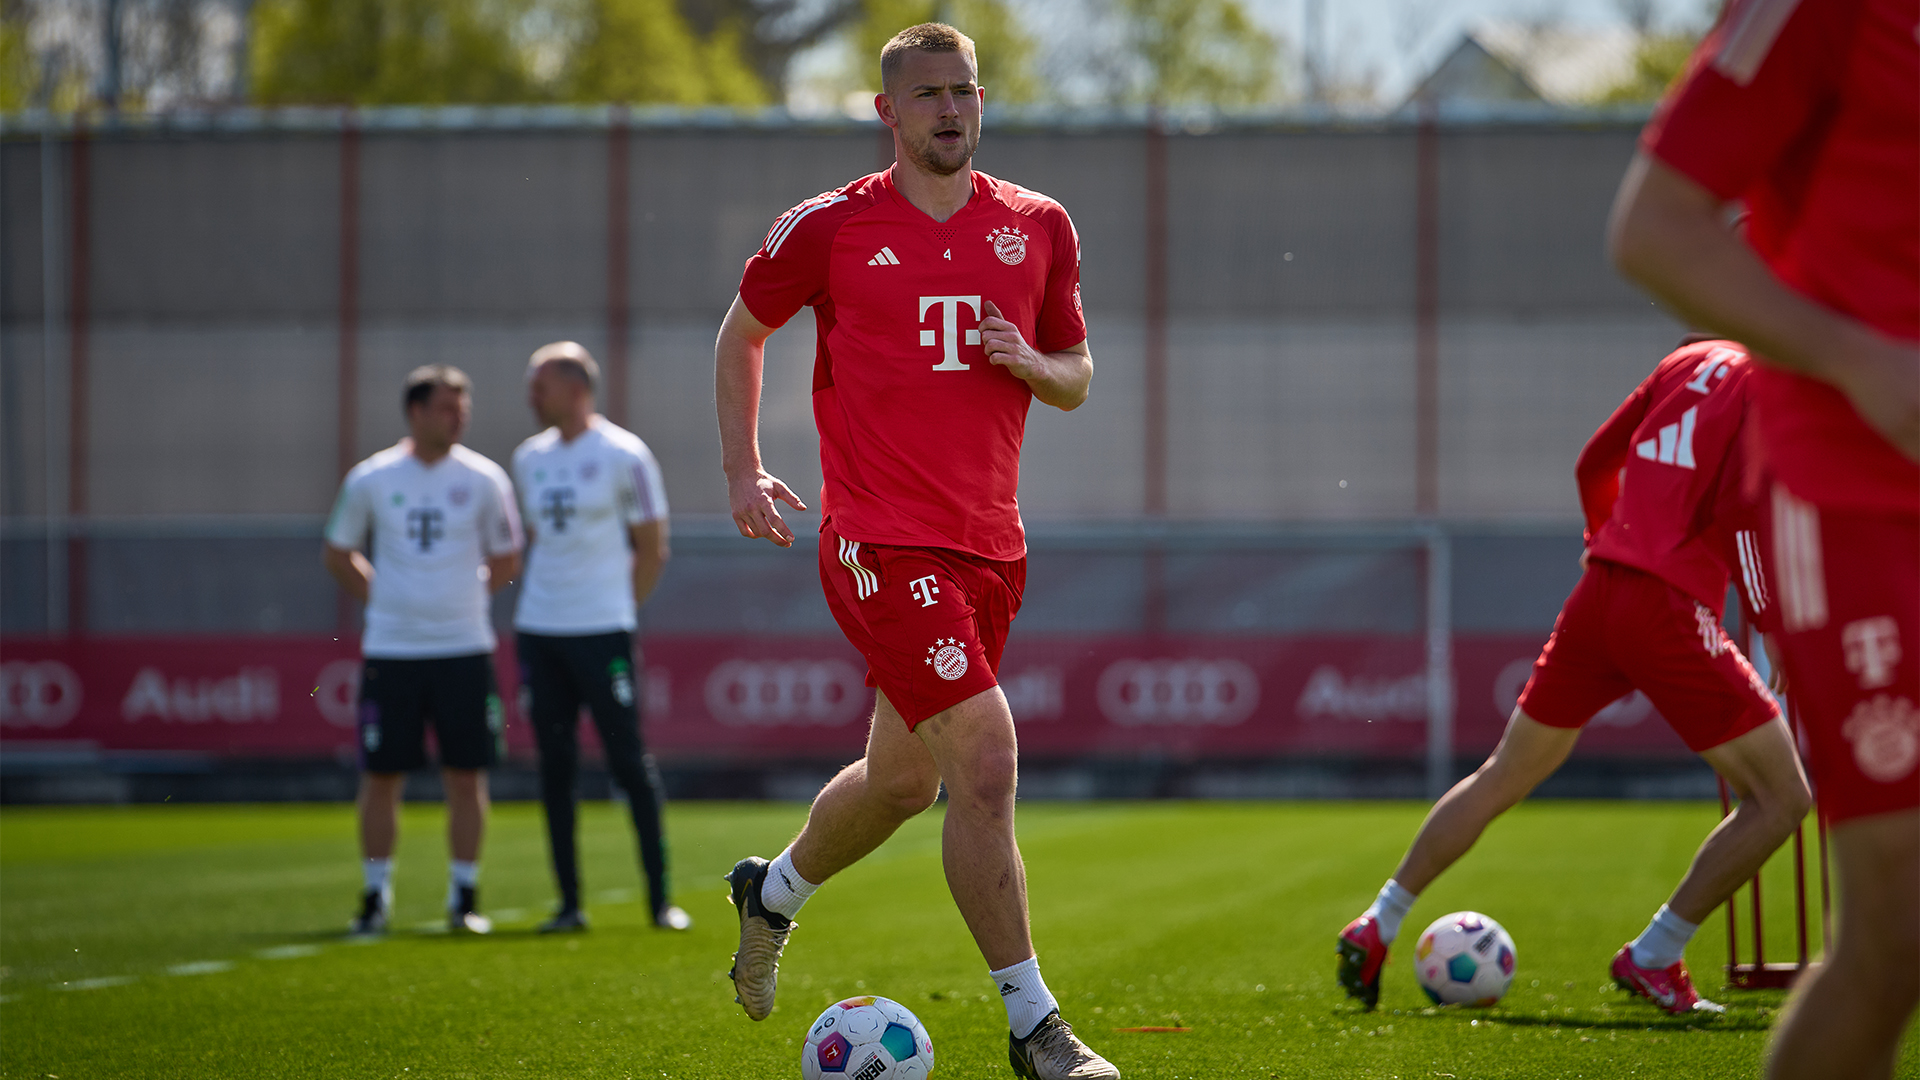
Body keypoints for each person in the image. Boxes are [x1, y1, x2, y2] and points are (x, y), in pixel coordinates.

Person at [713, 23, 1116, 1080]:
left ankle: (774, 892)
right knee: (985, 765)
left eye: (966, 91)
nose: (952, 109)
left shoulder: (1039, 224)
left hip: (991, 548)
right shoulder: (831, 227)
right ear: (888, 112)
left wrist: (1028, 360)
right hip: (881, 543)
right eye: (929, 93)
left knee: (900, 784)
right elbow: (741, 332)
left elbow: (1077, 375)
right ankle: (1037, 1030)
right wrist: (742, 470)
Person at [1607, 0, 1918, 1074]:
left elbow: (1593, 472)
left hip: (1646, 588)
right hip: (1863, 498)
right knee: (1896, 929)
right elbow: (1654, 229)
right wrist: (1862, 360)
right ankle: (1653, 947)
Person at [1336, 337, 1812, 1015]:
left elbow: (1594, 458)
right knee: (1782, 798)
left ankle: (1378, 920)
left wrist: (1607, 543)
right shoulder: (1772, 375)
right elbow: (1742, 509)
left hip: (1602, 588)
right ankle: (1654, 955)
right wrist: (1773, 621)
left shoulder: (1687, 358)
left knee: (1505, 771)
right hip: (1670, 604)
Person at [324, 365, 523, 935]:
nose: (457, 416)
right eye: (444, 407)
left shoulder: (486, 478)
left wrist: (461, 596)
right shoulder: (373, 477)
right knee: (382, 776)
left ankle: (464, 895)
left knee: (467, 776)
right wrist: (385, 597)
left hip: (464, 648)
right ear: (415, 412)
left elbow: (507, 555)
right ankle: (374, 895)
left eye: (462, 407)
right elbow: (339, 551)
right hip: (392, 651)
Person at [511, 341, 689, 933]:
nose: (532, 396)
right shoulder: (529, 458)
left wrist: (617, 609)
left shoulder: (623, 454)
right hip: (540, 630)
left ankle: (659, 900)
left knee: (628, 762)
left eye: (543, 384)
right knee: (555, 766)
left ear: (577, 388)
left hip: (602, 630)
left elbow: (652, 548)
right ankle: (568, 904)